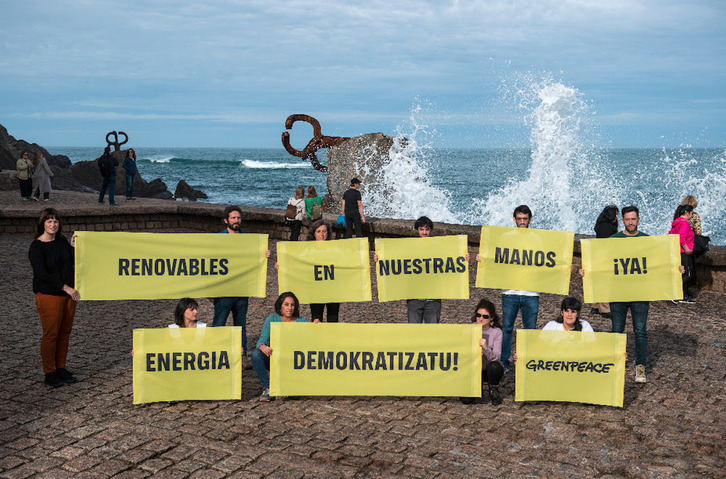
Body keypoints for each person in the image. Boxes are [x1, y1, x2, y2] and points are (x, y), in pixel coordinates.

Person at [28, 208, 80, 388]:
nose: (53, 224)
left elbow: (71, 261)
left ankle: (61, 368)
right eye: (49, 221)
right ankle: (49, 372)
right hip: (50, 295)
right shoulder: (37, 246)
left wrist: (73, 247)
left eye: (55, 221)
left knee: (65, 334)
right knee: (51, 334)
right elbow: (42, 274)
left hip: (68, 296)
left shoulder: (61, 241)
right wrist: (66, 288)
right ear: (42, 224)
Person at [211, 206, 271, 359]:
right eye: (233, 218)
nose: (236, 220)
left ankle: (242, 357)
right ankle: (216, 354)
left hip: (242, 291)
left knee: (241, 327)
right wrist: (210, 291)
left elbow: (255, 260)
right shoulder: (217, 240)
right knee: (219, 325)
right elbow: (210, 264)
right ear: (226, 220)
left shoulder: (249, 240)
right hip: (223, 292)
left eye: (238, 218)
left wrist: (264, 255)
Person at [608, 205, 650, 383]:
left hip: (640, 294)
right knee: (617, 330)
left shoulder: (648, 240)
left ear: (638, 219)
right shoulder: (612, 240)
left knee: (640, 331)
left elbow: (660, 263)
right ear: (622, 221)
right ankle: (615, 363)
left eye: (633, 219)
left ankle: (640, 366)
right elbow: (601, 263)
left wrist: (675, 268)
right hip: (618, 294)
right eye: (627, 219)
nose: (630, 222)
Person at [499, 205, 539, 372]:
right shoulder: (505, 238)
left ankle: (527, 361)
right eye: (519, 219)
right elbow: (496, 258)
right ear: (514, 219)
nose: (522, 222)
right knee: (507, 328)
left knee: (530, 330)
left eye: (525, 219)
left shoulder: (538, 238)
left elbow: (547, 260)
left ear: (530, 219)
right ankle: (504, 361)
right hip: (510, 292)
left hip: (531, 292)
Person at [251, 292, 307, 402]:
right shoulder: (272, 319)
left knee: (296, 396)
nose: (289, 308)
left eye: (292, 305)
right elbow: (261, 342)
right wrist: (263, 347)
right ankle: (268, 388)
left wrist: (316, 327)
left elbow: (309, 342)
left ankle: (285, 382)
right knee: (256, 355)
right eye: (286, 304)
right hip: (276, 361)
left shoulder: (302, 321)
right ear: (280, 305)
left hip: (293, 364)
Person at [461, 299, 504, 406]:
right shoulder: (469, 329)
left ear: (491, 318)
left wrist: (485, 348)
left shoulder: (496, 332)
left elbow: (497, 357)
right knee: (466, 400)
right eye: (478, 315)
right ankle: (475, 386)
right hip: (473, 369)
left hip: (488, 369)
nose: (481, 318)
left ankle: (493, 389)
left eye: (485, 316)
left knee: (495, 367)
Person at [407, 216, 442, 323]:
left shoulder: (439, 247)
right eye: (421, 229)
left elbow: (452, 261)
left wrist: (464, 258)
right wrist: (379, 258)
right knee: (414, 335)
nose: (424, 232)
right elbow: (394, 261)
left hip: (433, 299)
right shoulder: (409, 247)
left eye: (427, 229)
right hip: (414, 299)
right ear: (417, 230)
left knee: (432, 334)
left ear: (430, 230)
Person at [307, 220, 341, 322]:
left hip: (333, 290)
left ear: (328, 233)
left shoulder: (335, 249)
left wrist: (365, 266)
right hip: (316, 291)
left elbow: (348, 263)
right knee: (316, 320)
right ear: (314, 234)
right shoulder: (307, 250)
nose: (322, 234)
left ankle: (331, 338)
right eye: (318, 231)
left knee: (333, 320)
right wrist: (281, 265)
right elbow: (295, 264)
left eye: (324, 231)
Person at [592, 205, 619, 318]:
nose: (618, 217)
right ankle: (605, 309)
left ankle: (595, 306)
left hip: (598, 255)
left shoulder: (601, 225)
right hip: (605, 256)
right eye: (616, 214)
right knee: (605, 282)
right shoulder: (607, 228)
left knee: (599, 281)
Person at [669, 204, 695, 304]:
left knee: (682, 273)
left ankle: (683, 296)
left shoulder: (676, 222)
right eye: (691, 213)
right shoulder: (684, 223)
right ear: (686, 213)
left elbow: (671, 235)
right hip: (683, 252)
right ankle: (674, 293)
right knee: (689, 274)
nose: (692, 215)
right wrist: (687, 249)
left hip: (677, 251)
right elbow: (681, 238)